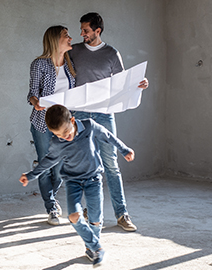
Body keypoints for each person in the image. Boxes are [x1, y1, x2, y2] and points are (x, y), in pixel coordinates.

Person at [19, 104, 135, 267]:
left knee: (95, 219)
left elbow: (107, 135)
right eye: (58, 135)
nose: (64, 137)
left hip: (93, 179)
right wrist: (30, 175)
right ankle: (97, 249)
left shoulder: (89, 126)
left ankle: (90, 248)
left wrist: (124, 150)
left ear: (72, 120)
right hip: (72, 182)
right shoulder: (57, 142)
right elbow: (48, 161)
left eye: (66, 133)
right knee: (74, 216)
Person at [66, 12, 149, 232]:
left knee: (111, 163)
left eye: (85, 30)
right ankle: (86, 209)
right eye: (81, 30)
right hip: (79, 114)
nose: (81, 34)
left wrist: (138, 85)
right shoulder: (73, 51)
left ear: (97, 31)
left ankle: (122, 214)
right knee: (83, 164)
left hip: (104, 114)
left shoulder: (112, 54)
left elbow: (122, 83)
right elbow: (59, 73)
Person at [27, 25, 77, 226]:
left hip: (64, 123)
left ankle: (52, 196)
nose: (70, 38)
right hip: (43, 122)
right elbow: (31, 92)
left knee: (59, 167)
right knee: (45, 164)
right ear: (55, 40)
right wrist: (36, 102)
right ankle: (51, 207)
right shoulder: (39, 64)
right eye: (66, 35)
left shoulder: (70, 64)